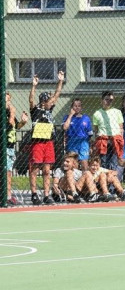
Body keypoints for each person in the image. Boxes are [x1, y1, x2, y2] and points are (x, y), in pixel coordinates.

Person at [28, 71, 64, 205]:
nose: (51, 102)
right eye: (49, 100)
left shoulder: (49, 110)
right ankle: (34, 193)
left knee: (47, 169)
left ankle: (46, 194)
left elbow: (57, 95)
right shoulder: (36, 110)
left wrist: (60, 81)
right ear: (43, 102)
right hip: (38, 142)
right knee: (35, 168)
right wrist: (34, 86)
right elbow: (31, 100)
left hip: (48, 141)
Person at [93, 91, 125, 174]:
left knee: (113, 163)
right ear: (102, 100)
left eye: (110, 100)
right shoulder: (97, 113)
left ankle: (111, 185)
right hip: (103, 140)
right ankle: (103, 183)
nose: (108, 102)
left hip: (115, 139)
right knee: (103, 162)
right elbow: (96, 129)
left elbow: (121, 127)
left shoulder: (117, 112)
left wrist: (120, 140)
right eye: (106, 99)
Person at [5, 93, 28, 205]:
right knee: (6, 173)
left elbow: (15, 126)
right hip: (3, 147)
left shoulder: (10, 114)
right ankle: (7, 196)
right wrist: (13, 111)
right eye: (6, 101)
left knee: (8, 172)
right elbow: (9, 123)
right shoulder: (4, 113)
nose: (9, 104)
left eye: (9, 101)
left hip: (10, 147)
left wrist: (22, 122)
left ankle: (8, 196)